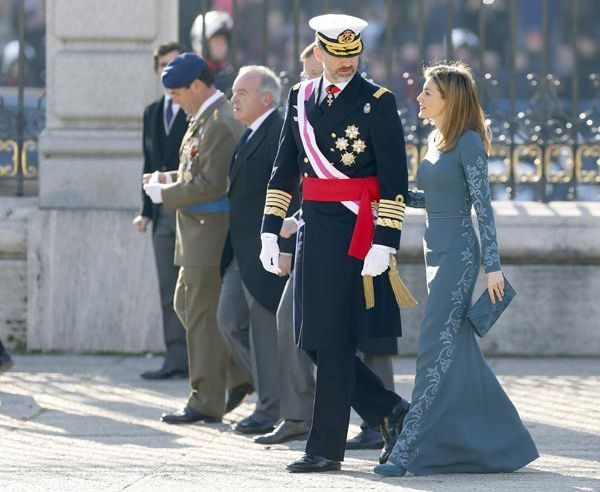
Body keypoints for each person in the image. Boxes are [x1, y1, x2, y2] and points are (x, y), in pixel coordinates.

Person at [259, 14, 412, 473]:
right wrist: (269, 228)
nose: (347, 65)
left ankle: (325, 448)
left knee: (336, 339)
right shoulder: (299, 97)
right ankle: (389, 411)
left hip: (355, 229)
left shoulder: (376, 102)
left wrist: (385, 240)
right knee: (311, 338)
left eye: (354, 56)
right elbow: (284, 167)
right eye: (338, 56)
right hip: (312, 229)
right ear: (320, 53)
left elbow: (394, 177)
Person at [374, 61, 539, 477]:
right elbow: (435, 199)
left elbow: (483, 207)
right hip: (435, 251)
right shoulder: (435, 139)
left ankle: (406, 450)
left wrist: (493, 268)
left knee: (434, 346)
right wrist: (391, 197)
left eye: (428, 92)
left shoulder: (468, 142)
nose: (420, 98)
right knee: (457, 348)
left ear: (451, 100)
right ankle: (508, 442)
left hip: (460, 257)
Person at [143, 52, 249, 424]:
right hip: (198, 233)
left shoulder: (218, 122)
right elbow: (197, 170)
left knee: (201, 314)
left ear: (198, 86)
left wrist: (165, 195)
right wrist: (168, 179)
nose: (174, 100)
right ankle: (238, 375)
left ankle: (206, 398)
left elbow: (212, 183)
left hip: (210, 233)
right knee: (188, 307)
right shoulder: (205, 118)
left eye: (177, 93)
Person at [217, 65, 293, 435]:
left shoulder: (279, 132)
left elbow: (289, 192)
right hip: (240, 250)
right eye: (233, 92)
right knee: (229, 321)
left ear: (266, 97)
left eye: (241, 92)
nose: (233, 98)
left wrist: (283, 244)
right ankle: (267, 391)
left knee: (264, 332)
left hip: (266, 249)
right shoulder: (249, 134)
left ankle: (272, 407)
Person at [134, 41, 189, 380]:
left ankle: (202, 360)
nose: (168, 72)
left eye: (174, 65)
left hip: (190, 209)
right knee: (168, 288)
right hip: (161, 214)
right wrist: (145, 211)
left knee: (193, 290)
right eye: (163, 66)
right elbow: (149, 163)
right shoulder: (152, 112)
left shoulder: (195, 108)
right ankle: (175, 356)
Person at [190, 10, 235, 95]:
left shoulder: (230, 74)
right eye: (217, 41)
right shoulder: (192, 76)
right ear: (202, 42)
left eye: (224, 41)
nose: (221, 46)